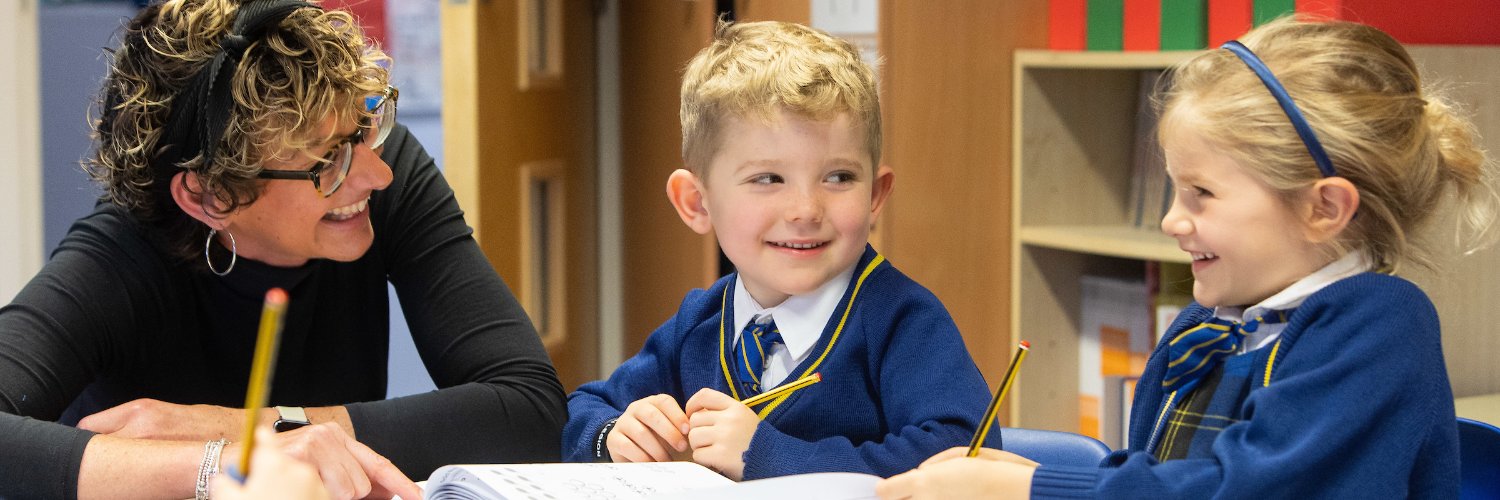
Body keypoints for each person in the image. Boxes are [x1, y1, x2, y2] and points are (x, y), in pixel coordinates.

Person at [877, 17, 1496, 499]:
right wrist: (1022, 476)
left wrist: (1037, 488)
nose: (1173, 220)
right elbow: (1162, 478)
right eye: (1174, 189)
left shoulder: (1377, 326)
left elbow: (1253, 491)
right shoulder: (1209, 323)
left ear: (1323, 208)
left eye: (1201, 193)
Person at [0, 0, 566, 498]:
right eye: (326, 163)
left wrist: (243, 430)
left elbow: (529, 409)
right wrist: (212, 466)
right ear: (210, 195)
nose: (376, 174)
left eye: (363, 128)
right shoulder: (120, 254)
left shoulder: (377, 166)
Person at [561, 18, 995, 481]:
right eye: (768, 179)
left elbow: (966, 460)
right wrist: (613, 435)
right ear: (696, 203)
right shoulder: (702, 322)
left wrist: (766, 456)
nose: (806, 210)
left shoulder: (903, 322)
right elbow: (581, 409)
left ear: (875, 195)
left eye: (839, 177)